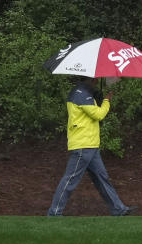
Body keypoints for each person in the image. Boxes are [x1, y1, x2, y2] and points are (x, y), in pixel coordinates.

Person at [47, 77, 135, 216]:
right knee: (70, 179)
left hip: (90, 144)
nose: (96, 81)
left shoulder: (82, 92)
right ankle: (54, 212)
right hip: (83, 144)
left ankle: (118, 209)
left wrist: (96, 98)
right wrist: (106, 101)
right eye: (95, 79)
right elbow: (98, 115)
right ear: (88, 78)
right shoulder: (81, 94)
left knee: (102, 178)